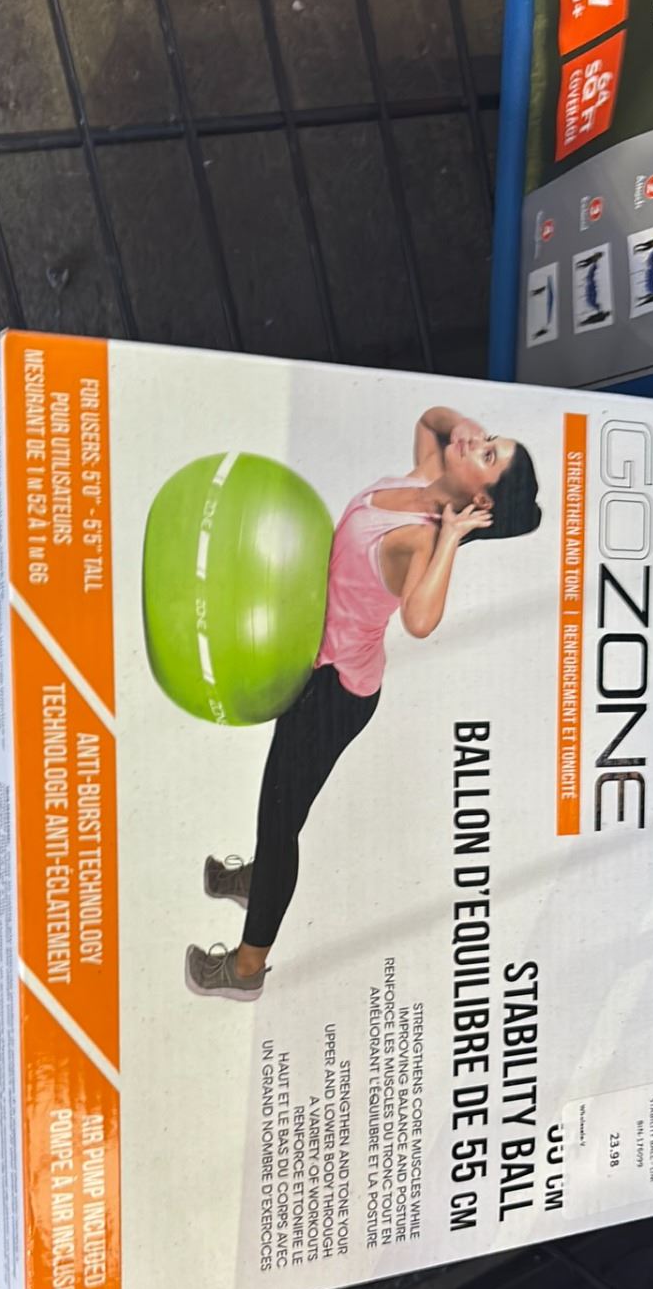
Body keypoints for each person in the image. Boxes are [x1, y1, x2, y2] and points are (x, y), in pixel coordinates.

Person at [186, 408, 541, 1000]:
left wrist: (453, 537)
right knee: (281, 808)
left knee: (279, 823)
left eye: (486, 454)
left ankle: (245, 969)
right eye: (488, 436)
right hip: (316, 668)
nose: (474, 439)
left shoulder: (422, 536)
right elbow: (431, 419)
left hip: (335, 692)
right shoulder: (420, 476)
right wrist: (471, 433)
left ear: (481, 501)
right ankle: (257, 880)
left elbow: (420, 621)